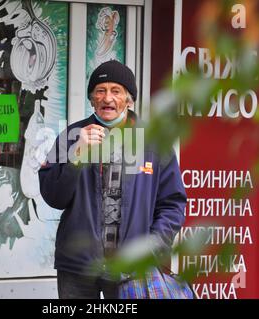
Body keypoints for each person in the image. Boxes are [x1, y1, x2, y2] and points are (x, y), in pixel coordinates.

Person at [39, 60, 187, 299]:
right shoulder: (70, 136)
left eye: (116, 91)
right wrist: (77, 154)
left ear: (129, 100)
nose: (107, 98)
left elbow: (173, 202)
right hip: (78, 268)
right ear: (92, 99)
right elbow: (53, 197)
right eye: (100, 90)